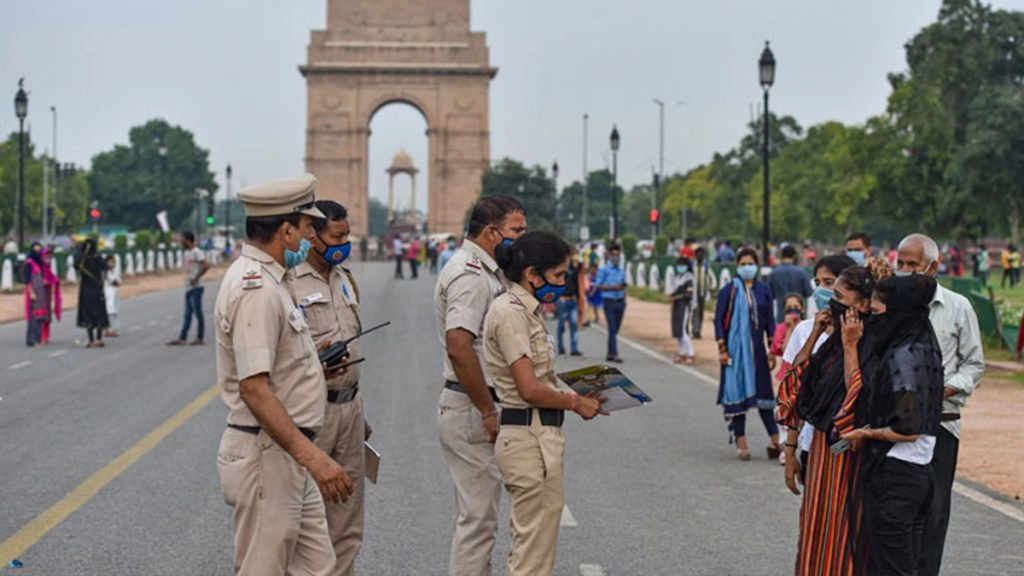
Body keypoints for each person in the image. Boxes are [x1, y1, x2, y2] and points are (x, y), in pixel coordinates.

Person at [214, 174, 353, 575]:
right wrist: (315, 458)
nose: (311, 237)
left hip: (287, 454)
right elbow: (254, 389)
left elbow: (278, 367)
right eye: (309, 228)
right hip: (269, 453)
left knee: (318, 568)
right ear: (287, 231)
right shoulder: (255, 287)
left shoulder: (274, 282)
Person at [483, 230, 603, 576]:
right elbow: (529, 388)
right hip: (527, 436)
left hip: (538, 434)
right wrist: (575, 402)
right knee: (531, 557)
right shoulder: (510, 313)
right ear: (531, 274)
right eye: (557, 276)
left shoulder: (527, 311)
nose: (563, 284)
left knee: (536, 551)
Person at [434, 195, 526, 576]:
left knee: (477, 517)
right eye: (516, 231)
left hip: (476, 403)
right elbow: (459, 346)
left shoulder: (487, 272)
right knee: (477, 522)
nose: (522, 239)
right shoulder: (471, 276)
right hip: (475, 406)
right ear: (492, 232)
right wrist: (488, 410)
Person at [841, 274, 945, 576]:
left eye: (875, 314)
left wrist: (866, 432)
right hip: (921, 474)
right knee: (905, 566)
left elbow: (907, 429)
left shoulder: (902, 356)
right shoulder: (926, 346)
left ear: (897, 312)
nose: (872, 321)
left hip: (896, 477)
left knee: (889, 568)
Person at [776, 266, 877, 575]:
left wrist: (849, 345)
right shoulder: (822, 338)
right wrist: (818, 334)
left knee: (846, 532)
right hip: (819, 452)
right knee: (815, 529)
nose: (829, 301)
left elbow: (855, 396)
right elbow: (794, 387)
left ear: (860, 305)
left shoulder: (872, 342)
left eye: (837, 295)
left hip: (851, 453)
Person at [894, 234, 984, 576]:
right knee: (893, 512)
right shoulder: (888, 304)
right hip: (892, 426)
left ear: (933, 266)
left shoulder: (958, 307)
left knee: (933, 513)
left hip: (941, 423)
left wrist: (945, 388)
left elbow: (974, 364)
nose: (904, 271)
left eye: (912, 265)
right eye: (900, 263)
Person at [287, 200, 368, 575]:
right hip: (310, 413)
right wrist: (311, 360)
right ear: (312, 236)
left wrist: (359, 412)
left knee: (347, 518)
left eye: (347, 235)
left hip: (349, 408)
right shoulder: (287, 282)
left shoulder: (344, 278)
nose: (344, 243)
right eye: (337, 236)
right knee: (305, 517)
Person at [714, 247, 779, 460]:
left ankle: (775, 439)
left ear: (757, 266)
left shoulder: (764, 290)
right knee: (738, 396)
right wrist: (722, 349)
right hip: (735, 353)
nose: (747, 267)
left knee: (764, 396)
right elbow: (719, 321)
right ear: (737, 266)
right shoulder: (729, 291)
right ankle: (741, 441)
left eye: (750, 263)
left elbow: (770, 320)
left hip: (758, 352)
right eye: (743, 264)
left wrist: (772, 348)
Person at [167, 232, 210, 346]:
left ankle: (200, 337)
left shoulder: (197, 252)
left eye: (182, 240)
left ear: (188, 241)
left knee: (197, 313)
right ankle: (182, 338)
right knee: (187, 314)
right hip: (188, 287)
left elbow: (206, 265)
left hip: (196, 287)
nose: (181, 242)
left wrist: (197, 278)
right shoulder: (188, 253)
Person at [594, 243, 627, 363]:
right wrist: (613, 288)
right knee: (612, 327)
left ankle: (609, 352)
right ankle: (615, 354)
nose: (615, 258)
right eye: (613, 255)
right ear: (608, 255)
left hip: (620, 302)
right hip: (609, 301)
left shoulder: (621, 271)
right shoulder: (603, 270)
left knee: (615, 329)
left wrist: (624, 299)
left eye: (617, 255)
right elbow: (598, 285)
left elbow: (623, 286)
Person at [75, 238, 110, 348]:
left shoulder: (81, 260)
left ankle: (91, 340)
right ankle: (99, 339)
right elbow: (106, 267)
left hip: (85, 290)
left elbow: (76, 266)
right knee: (99, 313)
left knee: (87, 314)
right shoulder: (97, 259)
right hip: (97, 288)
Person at [768, 244, 813, 321]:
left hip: (782, 315)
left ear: (781, 256)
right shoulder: (801, 272)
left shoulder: (774, 273)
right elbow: (808, 292)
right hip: (798, 315)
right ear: (794, 256)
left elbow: (770, 294)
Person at [770, 293, 804, 380]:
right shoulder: (780, 328)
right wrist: (789, 329)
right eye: (789, 307)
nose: (793, 310)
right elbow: (786, 351)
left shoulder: (807, 326)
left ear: (802, 309)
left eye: (796, 306)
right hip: (787, 371)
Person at [669, 256, 695, 364]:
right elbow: (675, 291)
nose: (680, 267)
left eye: (682, 265)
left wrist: (676, 297)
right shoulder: (678, 277)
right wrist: (671, 296)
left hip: (684, 306)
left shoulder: (689, 278)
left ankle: (690, 354)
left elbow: (688, 294)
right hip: (676, 305)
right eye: (678, 265)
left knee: (683, 330)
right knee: (677, 331)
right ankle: (682, 353)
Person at [556, 254, 583, 356]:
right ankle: (560, 347)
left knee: (574, 324)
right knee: (561, 325)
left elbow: (577, 287)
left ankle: (574, 348)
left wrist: (580, 302)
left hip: (572, 300)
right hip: (562, 300)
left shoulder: (574, 270)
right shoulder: (559, 270)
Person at [23, 242, 46, 347]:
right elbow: (27, 280)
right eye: (35, 249)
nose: (37, 251)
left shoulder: (40, 262)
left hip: (40, 292)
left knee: (40, 315)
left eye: (39, 249)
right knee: (34, 316)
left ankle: (38, 338)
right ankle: (32, 339)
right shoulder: (29, 262)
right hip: (33, 291)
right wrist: (31, 292)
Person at [38, 247, 62, 345]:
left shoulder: (48, 268)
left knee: (47, 314)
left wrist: (55, 280)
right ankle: (41, 335)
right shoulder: (39, 267)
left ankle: (47, 335)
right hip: (40, 293)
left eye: (50, 256)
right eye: (47, 256)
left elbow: (51, 277)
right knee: (41, 313)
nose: (48, 258)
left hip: (47, 293)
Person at [691, 246, 715, 339]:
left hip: (702, 292)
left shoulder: (706, 266)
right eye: (698, 253)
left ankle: (698, 330)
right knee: (695, 311)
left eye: (702, 254)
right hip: (693, 293)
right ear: (695, 255)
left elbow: (711, 277)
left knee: (700, 312)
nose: (700, 255)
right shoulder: (692, 266)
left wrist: (712, 287)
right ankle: (695, 330)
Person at [103, 254, 121, 338]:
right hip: (108, 291)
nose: (112, 263)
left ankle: (111, 329)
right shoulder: (106, 271)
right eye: (110, 261)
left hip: (113, 291)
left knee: (113, 310)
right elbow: (113, 281)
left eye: (113, 261)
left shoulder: (113, 270)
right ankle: (108, 329)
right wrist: (117, 283)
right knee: (110, 311)